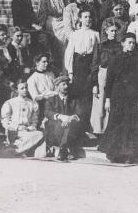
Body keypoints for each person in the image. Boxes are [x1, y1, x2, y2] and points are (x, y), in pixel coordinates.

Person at [99, 33, 138, 164]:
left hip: (132, 96)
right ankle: (114, 154)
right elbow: (109, 80)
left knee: (130, 124)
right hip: (118, 95)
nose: (131, 45)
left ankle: (128, 154)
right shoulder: (115, 58)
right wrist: (108, 99)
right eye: (129, 42)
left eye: (133, 43)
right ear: (123, 43)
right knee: (116, 124)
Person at [64, 8, 100, 136]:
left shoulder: (95, 34)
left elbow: (96, 54)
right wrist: (70, 73)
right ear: (80, 19)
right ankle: (74, 129)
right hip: (77, 66)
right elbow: (69, 53)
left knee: (87, 99)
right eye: (85, 17)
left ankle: (85, 128)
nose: (88, 19)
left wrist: (93, 74)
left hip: (88, 67)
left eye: (90, 17)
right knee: (75, 98)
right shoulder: (75, 34)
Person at [90, 19, 122, 135]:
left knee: (113, 102)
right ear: (106, 31)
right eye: (112, 30)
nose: (114, 33)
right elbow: (94, 64)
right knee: (100, 102)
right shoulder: (100, 46)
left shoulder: (120, 46)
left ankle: (110, 130)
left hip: (116, 75)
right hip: (103, 74)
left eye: (115, 31)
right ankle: (98, 131)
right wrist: (94, 84)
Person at [0, 80, 44, 156]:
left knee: (40, 134)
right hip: (14, 131)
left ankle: (14, 149)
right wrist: (17, 127)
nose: (25, 90)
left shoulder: (32, 103)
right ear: (17, 90)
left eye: (26, 88)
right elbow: (5, 120)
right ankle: (20, 149)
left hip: (28, 131)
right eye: (22, 88)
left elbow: (35, 119)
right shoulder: (10, 103)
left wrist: (31, 128)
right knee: (37, 138)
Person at [44, 76, 83, 161]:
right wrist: (60, 117)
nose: (66, 86)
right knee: (59, 124)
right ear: (57, 87)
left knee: (69, 125)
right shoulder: (51, 100)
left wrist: (69, 119)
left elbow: (79, 112)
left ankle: (62, 149)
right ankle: (65, 148)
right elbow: (47, 112)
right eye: (63, 84)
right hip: (55, 128)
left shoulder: (74, 100)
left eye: (67, 84)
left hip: (70, 125)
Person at [37, 0, 69, 65]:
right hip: (52, 23)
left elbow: (67, 9)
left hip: (63, 22)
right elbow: (42, 13)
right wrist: (41, 27)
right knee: (56, 46)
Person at [27, 53, 56, 125]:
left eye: (47, 62)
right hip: (43, 106)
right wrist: (50, 94)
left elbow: (57, 89)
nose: (46, 64)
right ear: (37, 63)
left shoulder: (51, 74)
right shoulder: (32, 79)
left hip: (56, 103)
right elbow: (36, 97)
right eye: (44, 62)